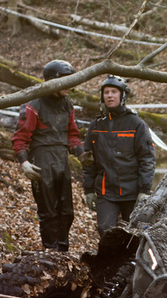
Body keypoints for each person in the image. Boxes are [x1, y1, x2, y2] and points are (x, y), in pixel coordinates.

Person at [12, 59, 85, 251]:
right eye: (66, 81)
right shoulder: (34, 102)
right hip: (41, 160)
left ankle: (63, 251)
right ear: (53, 81)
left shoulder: (67, 103)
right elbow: (20, 136)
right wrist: (24, 162)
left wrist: (82, 154)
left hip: (61, 159)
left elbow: (72, 134)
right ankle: (51, 252)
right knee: (49, 212)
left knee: (66, 211)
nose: (70, 86)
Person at [82, 75, 156, 236]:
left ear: (122, 96)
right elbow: (88, 161)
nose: (109, 95)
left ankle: (133, 261)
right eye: (106, 92)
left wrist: (144, 190)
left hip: (133, 192)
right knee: (105, 230)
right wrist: (88, 190)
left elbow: (147, 158)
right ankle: (111, 261)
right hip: (106, 191)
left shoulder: (136, 124)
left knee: (134, 233)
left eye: (114, 92)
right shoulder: (96, 125)